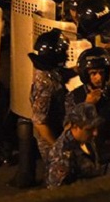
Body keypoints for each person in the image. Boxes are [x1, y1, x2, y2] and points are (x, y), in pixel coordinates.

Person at [29, 29, 70, 163]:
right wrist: (57, 148)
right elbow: (40, 123)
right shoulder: (45, 84)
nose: (66, 55)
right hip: (51, 139)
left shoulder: (49, 73)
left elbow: (62, 74)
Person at [46, 102, 106, 188]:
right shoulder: (63, 153)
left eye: (96, 127)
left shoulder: (87, 139)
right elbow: (57, 189)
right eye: (89, 129)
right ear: (75, 126)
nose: (95, 133)